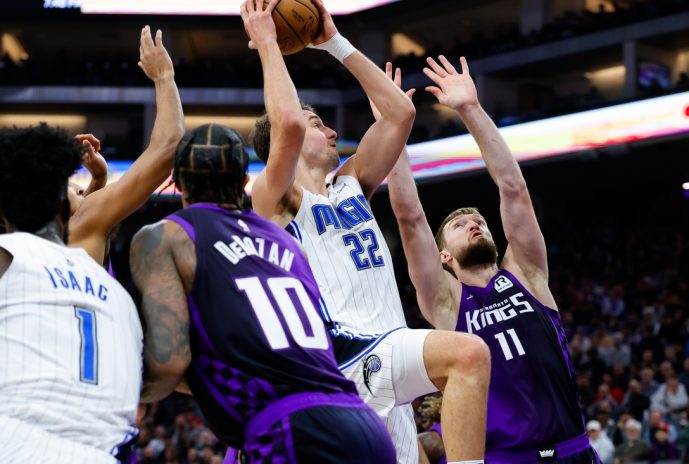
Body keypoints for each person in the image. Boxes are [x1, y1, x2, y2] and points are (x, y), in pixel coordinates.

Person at [129, 2, 396, 462]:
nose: (329, 131)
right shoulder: (281, 239)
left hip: (290, 423)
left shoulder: (172, 235)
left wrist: (114, 384)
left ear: (177, 185)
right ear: (243, 181)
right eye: (317, 123)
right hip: (355, 408)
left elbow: (172, 362)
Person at [251, 2, 491, 463]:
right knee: (468, 356)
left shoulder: (351, 183)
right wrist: (268, 44)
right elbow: (288, 124)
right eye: (318, 124)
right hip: (343, 355)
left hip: (384, 358)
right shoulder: (274, 198)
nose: (331, 131)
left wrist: (334, 42)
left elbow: (400, 113)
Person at [385, 55, 595, 463]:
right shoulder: (447, 303)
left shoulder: (527, 274)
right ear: (444, 255)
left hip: (574, 449)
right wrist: (393, 129)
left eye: (479, 221)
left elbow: (513, 188)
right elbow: (410, 218)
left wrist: (471, 108)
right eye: (460, 224)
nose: (474, 224)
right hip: (505, 457)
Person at [0, 124, 143, 463]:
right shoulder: (116, 293)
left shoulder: (10, 259)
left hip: (21, 440)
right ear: (64, 210)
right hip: (104, 449)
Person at [68, 25, 185, 265]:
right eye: (68, 185)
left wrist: (99, 179)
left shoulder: (21, 237)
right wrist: (164, 77)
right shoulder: (79, 227)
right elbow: (169, 145)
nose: (81, 191)